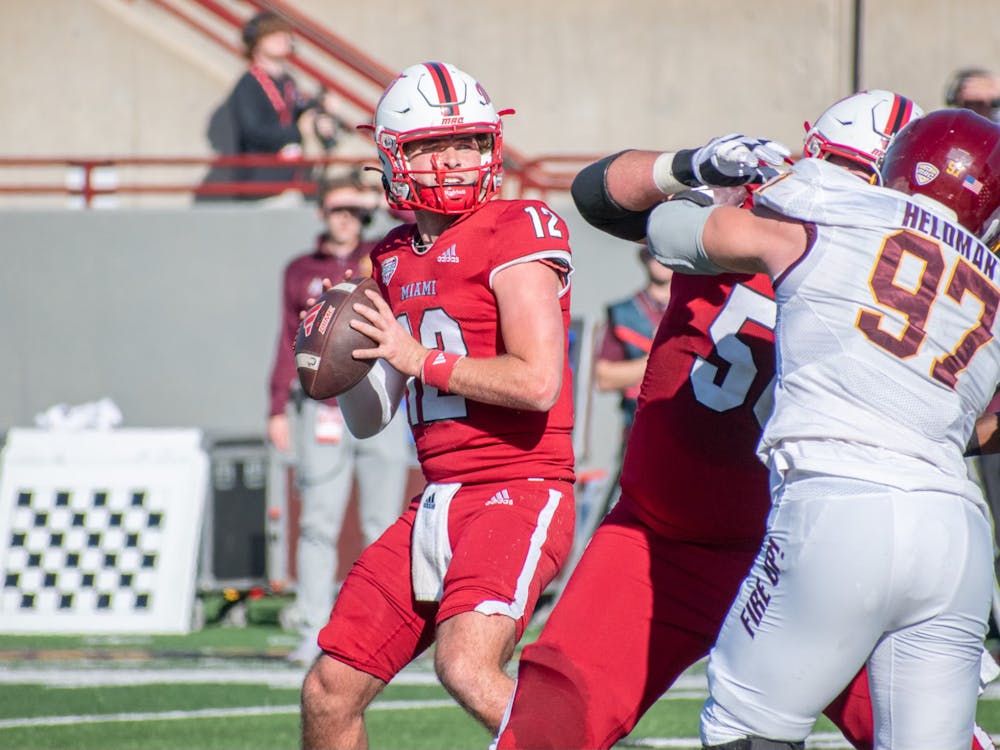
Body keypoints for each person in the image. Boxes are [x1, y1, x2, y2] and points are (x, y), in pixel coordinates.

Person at [496, 92, 996, 750]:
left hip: (809, 532)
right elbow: (599, 198)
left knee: (749, 726)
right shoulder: (937, 272)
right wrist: (689, 164)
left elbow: (620, 208)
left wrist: (695, 173)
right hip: (688, 538)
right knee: (551, 716)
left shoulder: (769, 215)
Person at [640, 108, 1000, 748]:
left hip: (839, 503)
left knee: (744, 727)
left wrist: (713, 186)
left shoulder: (836, 204)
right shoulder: (993, 281)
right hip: (956, 532)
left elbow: (670, 235)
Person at [298, 61, 576, 749]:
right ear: (393, 157)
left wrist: (418, 357)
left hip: (519, 488)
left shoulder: (518, 227)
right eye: (431, 145)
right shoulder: (391, 255)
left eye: (468, 142)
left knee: (466, 666)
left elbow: (538, 381)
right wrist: (339, 358)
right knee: (330, 690)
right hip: (438, 500)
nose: (453, 159)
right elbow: (373, 417)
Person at [267, 173, 410, 666]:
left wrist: (377, 200)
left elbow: (415, 220)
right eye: (337, 209)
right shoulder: (300, 269)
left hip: (381, 400)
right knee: (317, 522)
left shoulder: (387, 252)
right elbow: (289, 338)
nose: (346, 219)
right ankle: (313, 627)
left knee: (382, 525)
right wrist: (276, 406)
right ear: (321, 212)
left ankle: (383, 628)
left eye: (354, 210)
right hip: (323, 408)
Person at [228, 11, 342, 198]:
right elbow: (254, 131)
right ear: (256, 42)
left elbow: (296, 109)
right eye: (272, 33)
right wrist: (298, 130)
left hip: (289, 179)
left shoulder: (287, 81)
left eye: (285, 33)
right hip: (262, 186)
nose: (283, 38)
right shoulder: (248, 84)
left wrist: (320, 111)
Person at [593, 243, 672, 447]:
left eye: (668, 251)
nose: (661, 259)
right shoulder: (622, 313)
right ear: (642, 256)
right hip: (637, 430)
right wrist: (664, 359)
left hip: (684, 428)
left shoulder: (695, 312)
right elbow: (603, 378)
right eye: (654, 251)